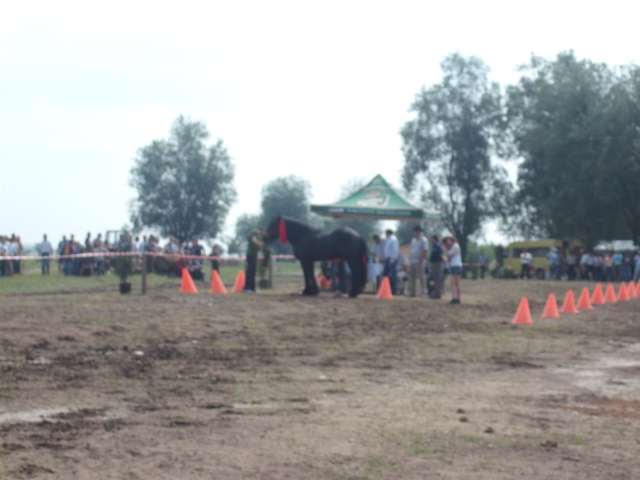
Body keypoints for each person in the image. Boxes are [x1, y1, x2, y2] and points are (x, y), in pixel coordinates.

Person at [244, 226, 266, 293]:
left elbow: (260, 247)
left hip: (254, 256)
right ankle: (247, 288)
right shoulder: (254, 234)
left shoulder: (259, 238)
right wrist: (261, 244)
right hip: (251, 255)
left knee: (253, 272)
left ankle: (252, 288)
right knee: (250, 272)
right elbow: (253, 240)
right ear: (261, 230)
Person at [409, 225, 428, 297]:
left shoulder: (424, 240)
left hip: (419, 261)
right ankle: (413, 292)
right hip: (413, 260)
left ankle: (424, 292)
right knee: (412, 277)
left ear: (420, 232)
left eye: (417, 231)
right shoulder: (413, 240)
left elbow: (425, 250)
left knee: (421, 277)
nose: (416, 233)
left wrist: (422, 259)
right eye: (415, 231)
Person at [444, 236, 462, 304]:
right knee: (455, 283)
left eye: (448, 240)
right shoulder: (455, 246)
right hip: (455, 265)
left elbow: (448, 255)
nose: (447, 242)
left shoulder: (455, 246)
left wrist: (445, 248)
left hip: (456, 266)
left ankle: (456, 298)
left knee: (455, 283)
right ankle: (456, 298)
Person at [382, 229, 399, 295]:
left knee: (393, 275)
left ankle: (394, 290)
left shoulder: (393, 239)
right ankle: (386, 289)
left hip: (391, 259)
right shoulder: (390, 239)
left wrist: (393, 259)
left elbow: (395, 250)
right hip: (388, 259)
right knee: (385, 274)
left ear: (387, 233)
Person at [429, 234, 445, 299]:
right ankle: (435, 293)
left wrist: (444, 262)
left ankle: (438, 294)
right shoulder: (434, 245)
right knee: (435, 279)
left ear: (434, 239)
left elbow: (440, 254)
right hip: (434, 263)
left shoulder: (438, 245)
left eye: (431, 238)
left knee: (438, 279)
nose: (430, 239)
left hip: (438, 263)